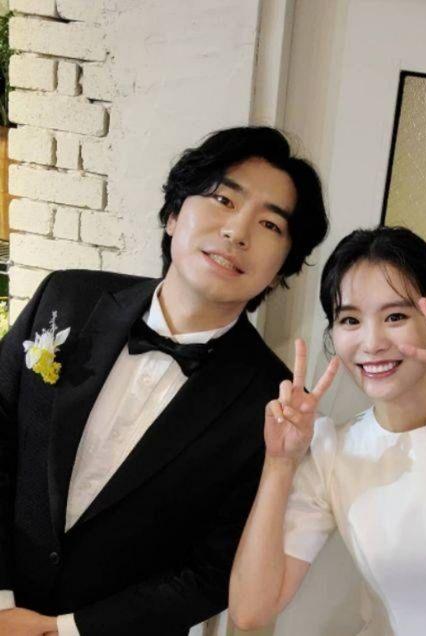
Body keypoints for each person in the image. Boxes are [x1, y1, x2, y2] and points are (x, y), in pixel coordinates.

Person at [0, 126, 329, 636]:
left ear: (282, 268)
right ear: (174, 214)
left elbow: (212, 571)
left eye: (270, 224)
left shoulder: (275, 402)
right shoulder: (66, 298)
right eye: (223, 199)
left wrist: (61, 630)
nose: (237, 232)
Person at [230, 225, 426, 636]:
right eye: (350, 319)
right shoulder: (333, 453)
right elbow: (251, 612)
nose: (371, 343)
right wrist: (279, 461)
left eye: (395, 316)